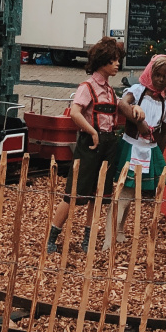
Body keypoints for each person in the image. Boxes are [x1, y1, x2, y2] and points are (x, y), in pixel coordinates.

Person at [46, 36, 124, 255]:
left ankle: (87, 240)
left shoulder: (110, 91)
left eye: (118, 60)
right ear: (102, 62)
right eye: (113, 60)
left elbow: (120, 109)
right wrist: (91, 131)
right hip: (89, 145)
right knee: (74, 193)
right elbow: (75, 112)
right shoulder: (87, 87)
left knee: (98, 194)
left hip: (108, 144)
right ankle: (53, 236)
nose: (117, 64)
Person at [105, 54, 166, 247]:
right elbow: (122, 104)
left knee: (133, 191)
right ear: (150, 73)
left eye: (165, 77)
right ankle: (108, 236)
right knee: (125, 191)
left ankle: (119, 229)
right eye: (158, 75)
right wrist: (139, 121)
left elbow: (164, 133)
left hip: (148, 151)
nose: (160, 80)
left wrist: (158, 155)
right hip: (132, 147)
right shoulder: (138, 91)